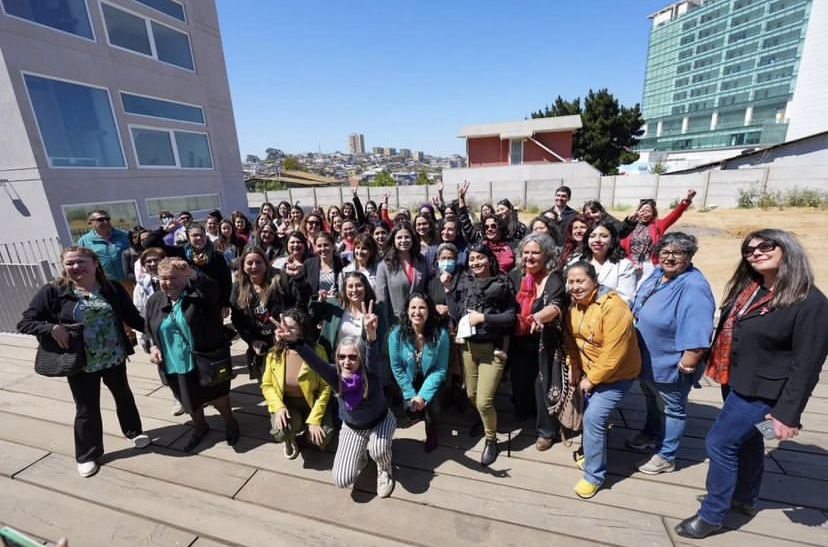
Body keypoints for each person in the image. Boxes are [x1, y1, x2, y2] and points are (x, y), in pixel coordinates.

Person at [675, 229, 828, 539]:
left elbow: (808, 365)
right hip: (736, 380)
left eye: (766, 245)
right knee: (750, 440)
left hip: (766, 393)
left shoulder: (810, 302)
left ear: (787, 249)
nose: (756, 252)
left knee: (719, 443)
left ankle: (713, 514)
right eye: (749, 249)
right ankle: (745, 498)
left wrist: (788, 414)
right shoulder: (751, 288)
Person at [18, 246, 149, 478]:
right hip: (80, 361)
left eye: (81, 262)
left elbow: (133, 318)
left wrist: (159, 330)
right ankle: (88, 455)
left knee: (123, 395)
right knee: (86, 408)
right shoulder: (55, 290)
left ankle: (133, 431)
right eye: (70, 263)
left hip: (114, 356)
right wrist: (51, 328)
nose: (75, 267)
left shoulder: (112, 288)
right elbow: (26, 322)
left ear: (95, 263)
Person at [276, 305, 397, 498]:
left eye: (352, 357)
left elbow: (372, 353)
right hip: (353, 426)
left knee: (379, 449)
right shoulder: (334, 375)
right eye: (341, 357)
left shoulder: (370, 373)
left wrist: (371, 335)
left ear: (360, 359)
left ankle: (384, 468)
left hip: (380, 420)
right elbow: (314, 360)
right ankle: (361, 452)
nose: (346, 361)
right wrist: (294, 342)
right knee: (341, 479)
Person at [628, 233, 715, 475]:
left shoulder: (693, 286)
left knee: (672, 407)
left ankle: (667, 455)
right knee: (651, 398)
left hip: (671, 362)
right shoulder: (659, 273)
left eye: (678, 253)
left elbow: (699, 330)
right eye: (665, 251)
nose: (670, 257)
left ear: (690, 256)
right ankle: (650, 433)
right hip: (647, 358)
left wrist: (689, 362)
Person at [563, 261, 641, 499]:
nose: (575, 287)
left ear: (594, 281)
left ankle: (594, 475)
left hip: (618, 375)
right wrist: (574, 365)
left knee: (594, 417)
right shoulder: (574, 307)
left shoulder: (614, 308)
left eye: (580, 281)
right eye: (571, 281)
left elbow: (614, 353)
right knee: (591, 415)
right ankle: (590, 451)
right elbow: (571, 339)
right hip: (590, 372)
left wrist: (592, 379)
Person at [145, 258, 240, 452]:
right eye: (163, 278)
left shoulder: (198, 295)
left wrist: (193, 273)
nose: (168, 282)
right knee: (187, 397)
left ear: (184, 278)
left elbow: (214, 291)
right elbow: (149, 328)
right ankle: (200, 426)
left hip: (205, 358)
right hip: (173, 360)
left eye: (173, 277)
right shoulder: (155, 300)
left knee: (217, 394)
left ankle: (230, 422)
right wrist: (153, 347)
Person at [445, 243, 516, 466]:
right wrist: (448, 291)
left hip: (492, 348)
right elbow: (456, 313)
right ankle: (487, 421)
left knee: (484, 401)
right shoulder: (466, 281)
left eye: (480, 258)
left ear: (489, 259)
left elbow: (511, 317)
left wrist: (484, 318)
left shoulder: (502, 283)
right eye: (472, 259)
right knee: (471, 396)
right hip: (468, 347)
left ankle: (491, 439)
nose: (476, 263)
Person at [507, 233, 566, 449]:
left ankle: (546, 431)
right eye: (526, 252)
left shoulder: (554, 277)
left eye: (536, 252)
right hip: (518, 340)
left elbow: (557, 304)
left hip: (545, 342)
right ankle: (526, 414)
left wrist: (539, 316)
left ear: (546, 255)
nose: (530, 257)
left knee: (543, 386)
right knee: (520, 383)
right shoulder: (515, 276)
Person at [261, 308, 335, 459]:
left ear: (301, 330)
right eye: (282, 326)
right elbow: (267, 385)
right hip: (287, 404)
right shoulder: (274, 353)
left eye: (291, 327)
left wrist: (315, 420)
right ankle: (290, 437)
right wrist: (279, 407)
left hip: (312, 403)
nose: (285, 330)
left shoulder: (316, 351)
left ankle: (305, 430)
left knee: (323, 438)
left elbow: (326, 387)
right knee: (281, 431)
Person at [231, 246, 310, 380]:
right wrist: (252, 340)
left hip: (284, 341)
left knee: (288, 381)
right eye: (249, 263)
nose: (254, 266)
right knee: (266, 383)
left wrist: (298, 278)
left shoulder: (281, 279)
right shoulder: (239, 286)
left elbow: (300, 302)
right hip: (259, 345)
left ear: (266, 263)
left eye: (259, 262)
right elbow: (238, 318)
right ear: (243, 265)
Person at [388, 293, 450, 453]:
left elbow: (440, 369)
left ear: (429, 311)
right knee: (410, 408)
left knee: (433, 408)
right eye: (413, 307)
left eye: (422, 307)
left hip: (431, 378)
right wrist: (410, 393)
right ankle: (418, 412)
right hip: (409, 379)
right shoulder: (396, 334)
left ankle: (432, 431)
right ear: (407, 311)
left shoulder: (440, 334)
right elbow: (397, 368)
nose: (417, 312)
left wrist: (422, 396)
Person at [620, 189, 696, 286]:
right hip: (630, 264)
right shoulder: (629, 225)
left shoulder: (658, 225)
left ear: (653, 213)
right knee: (628, 293)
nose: (645, 213)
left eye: (648, 211)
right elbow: (620, 244)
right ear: (638, 212)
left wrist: (686, 201)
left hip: (649, 266)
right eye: (642, 210)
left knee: (645, 291)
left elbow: (674, 215)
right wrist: (631, 262)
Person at [309, 271, 388, 362]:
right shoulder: (335, 306)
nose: (354, 290)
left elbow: (382, 343)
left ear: (366, 288)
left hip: (363, 364)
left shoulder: (375, 311)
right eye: (350, 286)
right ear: (344, 289)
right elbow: (313, 316)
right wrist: (319, 302)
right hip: (334, 363)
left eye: (358, 285)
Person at [375, 221, 431, 326]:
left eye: (407, 237)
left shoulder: (422, 261)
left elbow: (430, 288)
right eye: (399, 237)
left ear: (413, 239)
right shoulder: (384, 266)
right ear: (393, 240)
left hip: (420, 322)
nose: (403, 240)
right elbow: (382, 300)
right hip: (396, 322)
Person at [457, 181, 515, 273]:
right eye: (486, 227)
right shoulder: (480, 242)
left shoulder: (512, 245)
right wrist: (461, 199)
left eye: (493, 226)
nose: (489, 229)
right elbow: (465, 223)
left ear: (499, 227)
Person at [580, 220, 637, 306]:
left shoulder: (624, 265)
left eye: (604, 236)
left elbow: (625, 300)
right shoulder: (578, 261)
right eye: (592, 236)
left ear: (612, 240)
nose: (597, 240)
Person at [76, 210, 132, 284]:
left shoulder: (125, 235)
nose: (105, 222)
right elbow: (81, 262)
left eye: (107, 219)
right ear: (90, 223)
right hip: (105, 283)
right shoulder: (83, 241)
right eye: (100, 220)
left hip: (129, 281)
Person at [303, 231, 344, 298]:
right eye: (319, 246)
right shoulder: (308, 264)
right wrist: (317, 294)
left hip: (338, 304)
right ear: (315, 247)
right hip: (317, 304)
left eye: (326, 245)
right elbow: (304, 290)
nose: (322, 249)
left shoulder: (342, 263)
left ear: (333, 246)